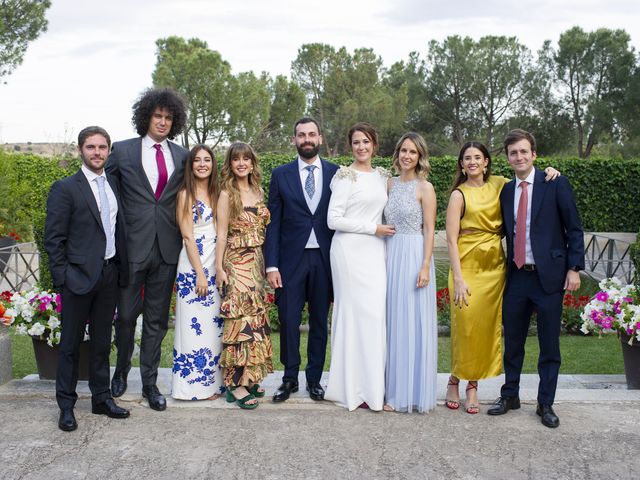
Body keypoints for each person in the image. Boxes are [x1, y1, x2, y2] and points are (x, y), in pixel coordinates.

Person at [445, 142, 560, 414]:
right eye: (467, 158)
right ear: (461, 164)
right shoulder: (458, 195)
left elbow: (528, 180)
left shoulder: (501, 185)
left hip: (495, 268)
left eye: (478, 157)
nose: (472, 162)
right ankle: (454, 379)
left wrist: (549, 172)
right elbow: (450, 239)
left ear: (486, 162)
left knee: (485, 328)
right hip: (467, 266)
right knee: (465, 325)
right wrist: (458, 278)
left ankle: (472, 385)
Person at [488, 129, 584, 428]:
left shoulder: (554, 183)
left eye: (523, 151)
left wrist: (573, 268)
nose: (518, 157)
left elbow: (574, 228)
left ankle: (545, 403)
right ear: (508, 157)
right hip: (517, 276)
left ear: (534, 155)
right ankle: (510, 394)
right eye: (513, 153)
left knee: (549, 346)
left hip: (550, 279)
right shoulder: (505, 191)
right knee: (513, 342)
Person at [106, 87, 189, 411]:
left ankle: (151, 384)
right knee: (125, 317)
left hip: (168, 249)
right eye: (158, 116)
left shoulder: (181, 156)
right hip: (132, 249)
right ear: (146, 117)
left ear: (175, 121)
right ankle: (121, 372)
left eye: (169, 117)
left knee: (156, 320)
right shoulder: (123, 151)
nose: (163, 122)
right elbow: (106, 195)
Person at [45, 126, 130, 431]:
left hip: (108, 275)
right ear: (80, 150)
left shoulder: (113, 185)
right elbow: (53, 239)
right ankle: (66, 406)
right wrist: (64, 277)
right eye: (91, 147)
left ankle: (101, 398)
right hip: (77, 279)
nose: (97, 152)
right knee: (69, 346)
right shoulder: (66, 188)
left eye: (102, 147)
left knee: (101, 343)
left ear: (108, 151)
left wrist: (119, 269)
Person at [265, 117, 339, 403]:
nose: (306, 139)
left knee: (320, 321)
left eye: (311, 134)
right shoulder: (281, 175)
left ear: (319, 138)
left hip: (325, 259)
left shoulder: (337, 174)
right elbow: (273, 224)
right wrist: (271, 264)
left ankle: (314, 379)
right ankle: (289, 378)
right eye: (301, 135)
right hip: (290, 261)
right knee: (288, 320)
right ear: (294, 140)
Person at [325, 122, 394, 411]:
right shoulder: (345, 176)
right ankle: (351, 389)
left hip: (376, 253)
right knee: (353, 317)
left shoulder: (383, 176)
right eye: (356, 142)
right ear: (350, 146)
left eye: (366, 141)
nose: (361, 147)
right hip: (349, 252)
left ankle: (373, 388)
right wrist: (372, 228)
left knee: (375, 317)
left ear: (374, 145)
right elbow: (333, 219)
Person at [215, 142, 273, 409]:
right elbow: (223, 234)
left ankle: (250, 377)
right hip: (236, 262)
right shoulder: (227, 193)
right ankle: (235, 385)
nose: (241, 163)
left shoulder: (259, 190)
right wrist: (219, 268)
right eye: (236, 159)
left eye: (246, 159)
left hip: (257, 262)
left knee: (257, 319)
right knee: (241, 321)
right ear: (231, 163)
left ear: (252, 163)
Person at [384, 132, 437, 413]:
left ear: (420, 157)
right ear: (398, 153)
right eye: (403, 150)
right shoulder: (389, 184)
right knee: (392, 324)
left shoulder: (425, 188)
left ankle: (409, 393)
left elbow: (429, 229)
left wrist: (426, 264)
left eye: (412, 152)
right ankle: (391, 389)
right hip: (390, 255)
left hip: (414, 255)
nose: (407, 156)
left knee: (411, 323)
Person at [172, 144, 224, 400]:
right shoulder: (184, 194)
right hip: (193, 267)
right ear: (190, 165)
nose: (202, 164)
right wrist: (200, 275)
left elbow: (222, 232)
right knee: (193, 328)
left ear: (213, 165)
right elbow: (187, 236)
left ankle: (212, 385)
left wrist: (219, 268)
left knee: (213, 327)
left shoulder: (218, 193)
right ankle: (191, 387)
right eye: (197, 160)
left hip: (215, 263)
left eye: (207, 160)